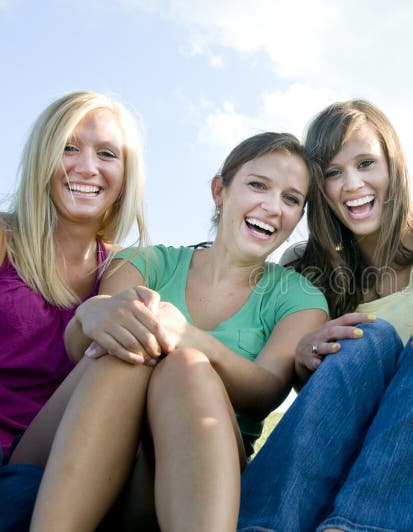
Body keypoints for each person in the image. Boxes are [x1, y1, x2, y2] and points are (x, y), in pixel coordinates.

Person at [12, 132, 329, 531]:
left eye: (291, 199)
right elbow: (90, 350)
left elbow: (267, 390)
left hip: (185, 477)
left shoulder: (299, 297)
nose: (271, 206)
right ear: (220, 190)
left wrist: (191, 341)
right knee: (128, 346)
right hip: (69, 456)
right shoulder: (144, 262)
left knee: (185, 366)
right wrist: (92, 313)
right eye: (257, 185)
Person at [237, 100, 413, 531]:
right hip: (337, 451)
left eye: (365, 163)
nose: (352, 184)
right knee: (366, 340)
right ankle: (263, 524)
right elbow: (289, 374)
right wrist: (303, 353)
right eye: (333, 173)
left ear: (393, 168)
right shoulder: (303, 263)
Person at [0, 91, 146, 531]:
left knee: (132, 348)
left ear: (124, 174)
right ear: (44, 154)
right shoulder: (5, 238)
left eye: (106, 154)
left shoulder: (125, 266)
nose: (87, 167)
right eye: (69, 147)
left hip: (64, 458)